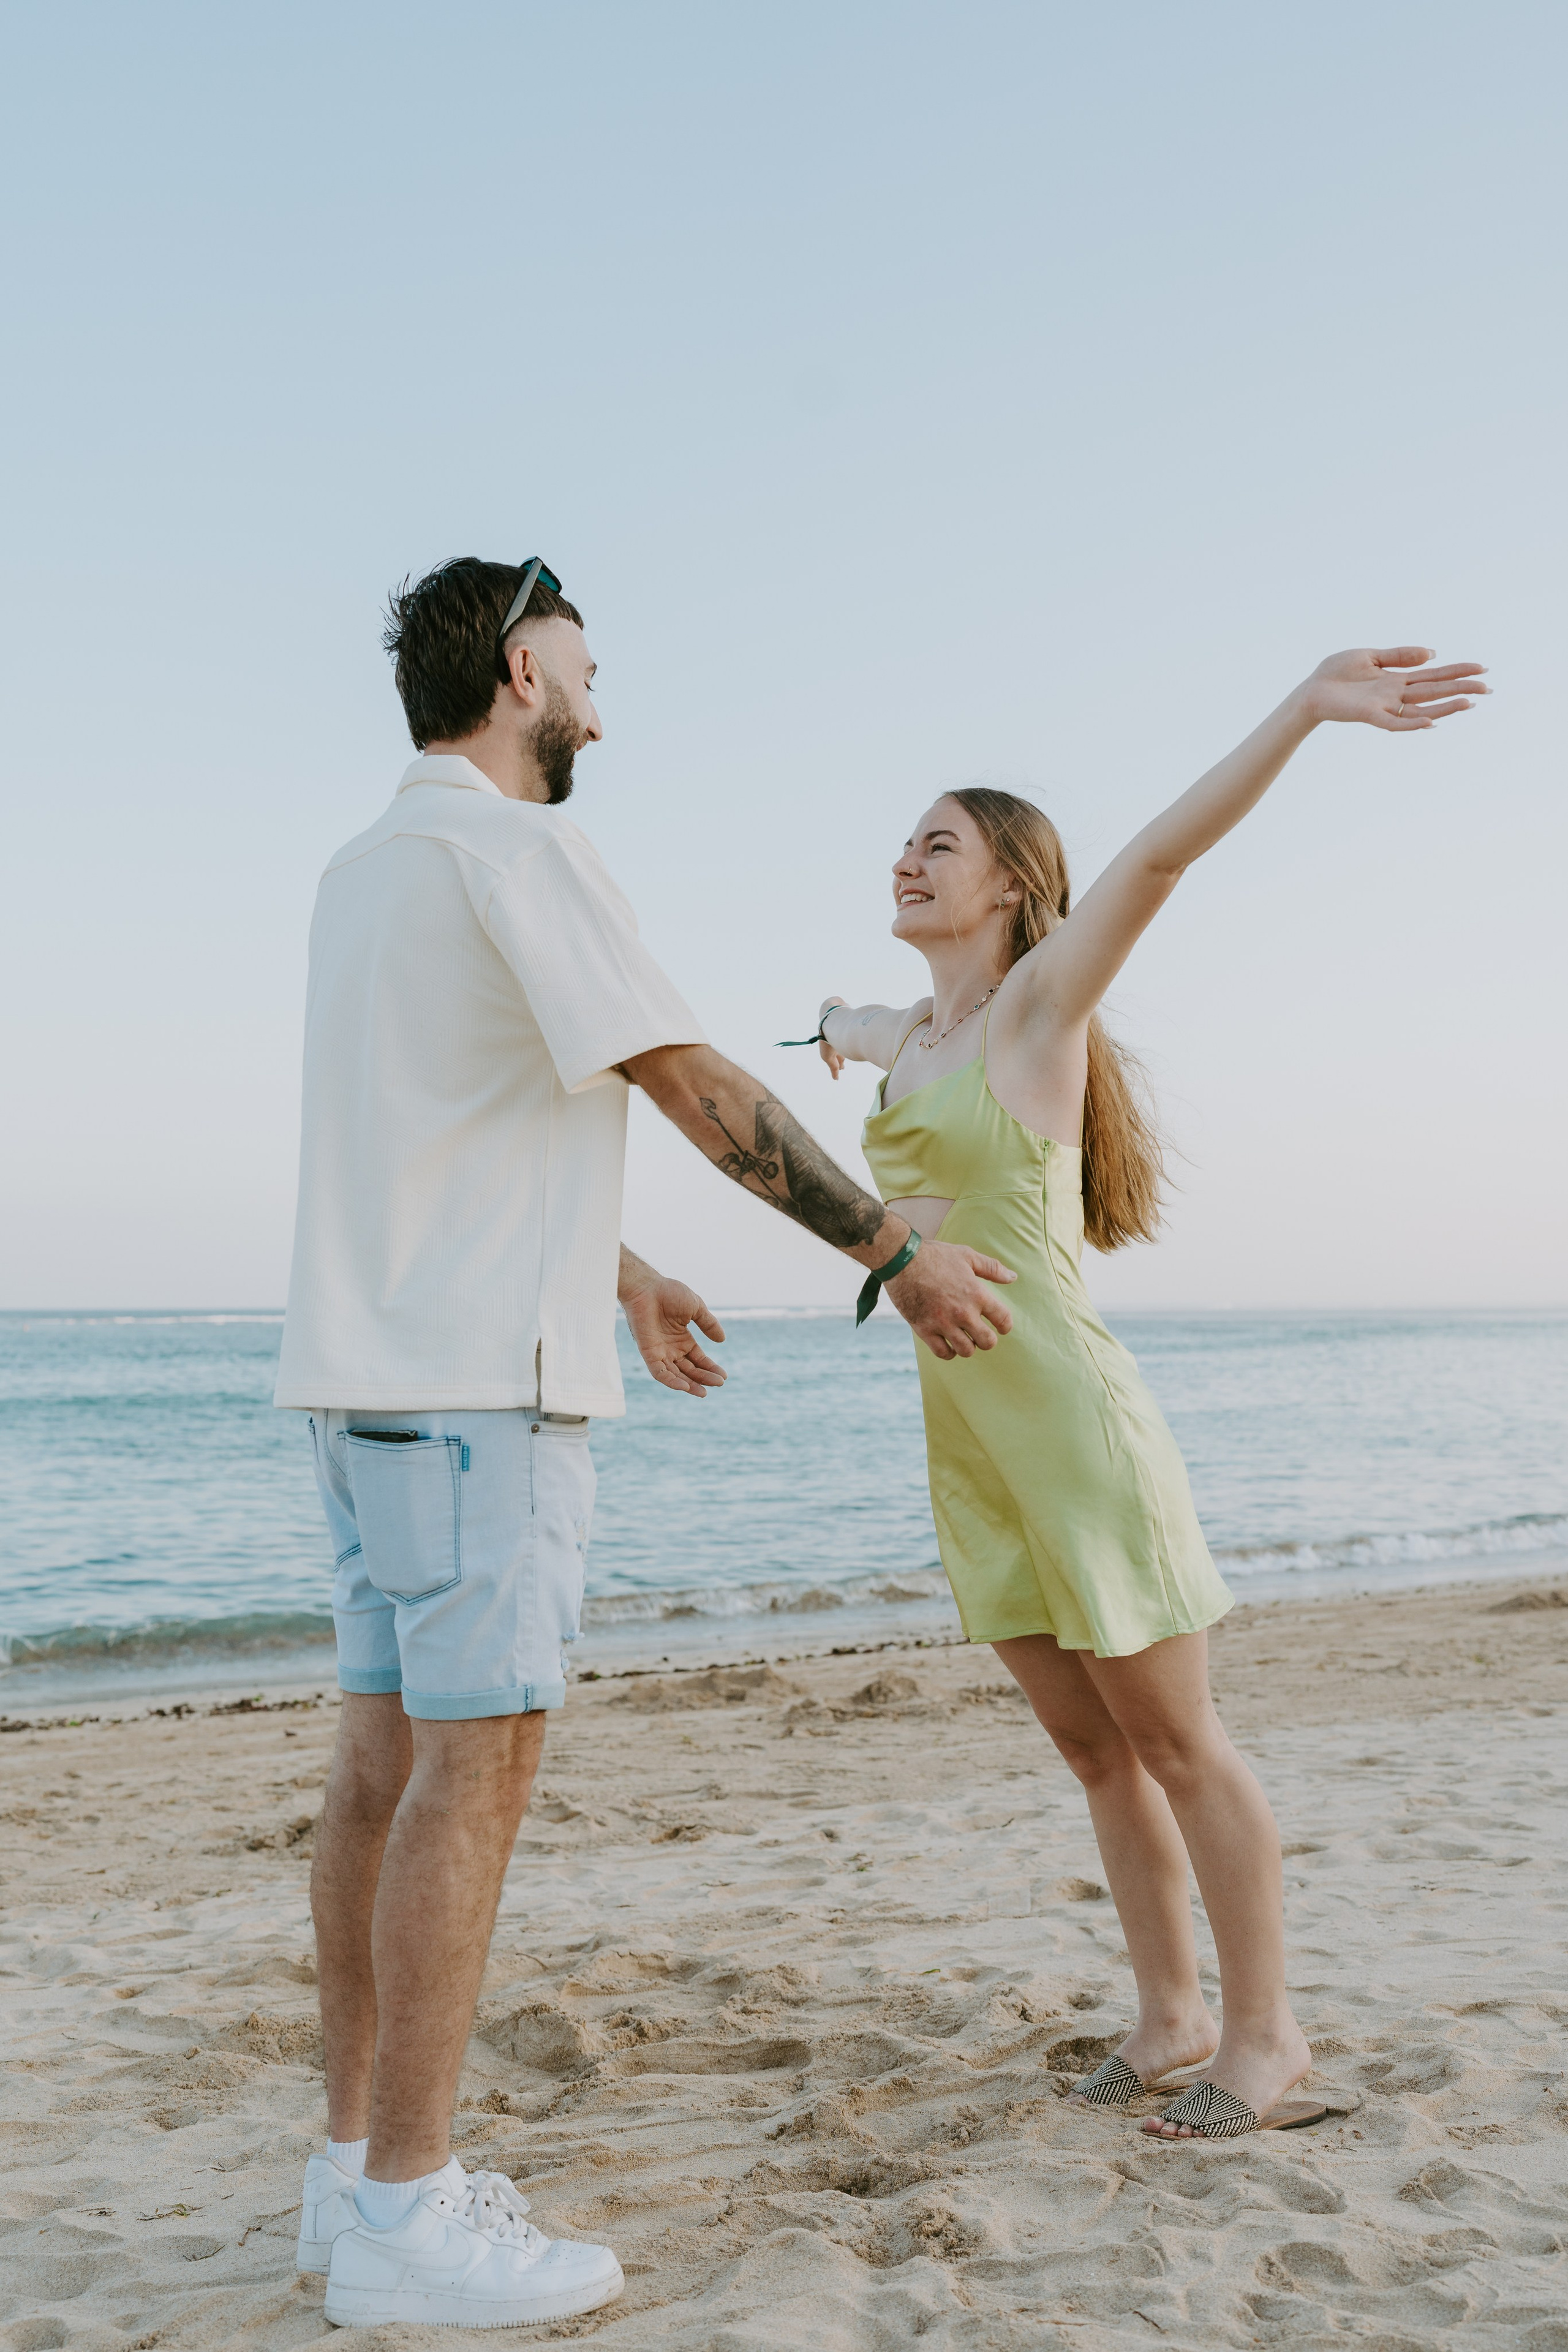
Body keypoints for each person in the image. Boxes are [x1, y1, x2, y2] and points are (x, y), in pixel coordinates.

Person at [273, 555, 1016, 2330]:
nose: (604, 704)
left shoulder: (363, 870)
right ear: (524, 670)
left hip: (366, 1387)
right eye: (589, 669)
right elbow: (696, 1080)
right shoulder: (524, 852)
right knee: (473, 1776)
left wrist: (614, 1268)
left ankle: (350, 2175)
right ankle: (408, 2217)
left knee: (380, 1771)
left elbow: (443, 1126)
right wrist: (895, 1253)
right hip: (483, 1400)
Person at [808, 647, 1487, 2143]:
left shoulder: (1036, 1010)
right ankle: (1170, 2014)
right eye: (904, 840)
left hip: (1072, 1432)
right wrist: (834, 1021)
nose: (907, 859)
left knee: (1178, 1744)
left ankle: (1265, 2033)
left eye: (939, 843)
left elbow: (1163, 856)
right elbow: (854, 1024)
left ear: (1009, 885)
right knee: (1090, 1751)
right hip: (968, 1441)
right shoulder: (911, 1036)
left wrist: (1304, 708)